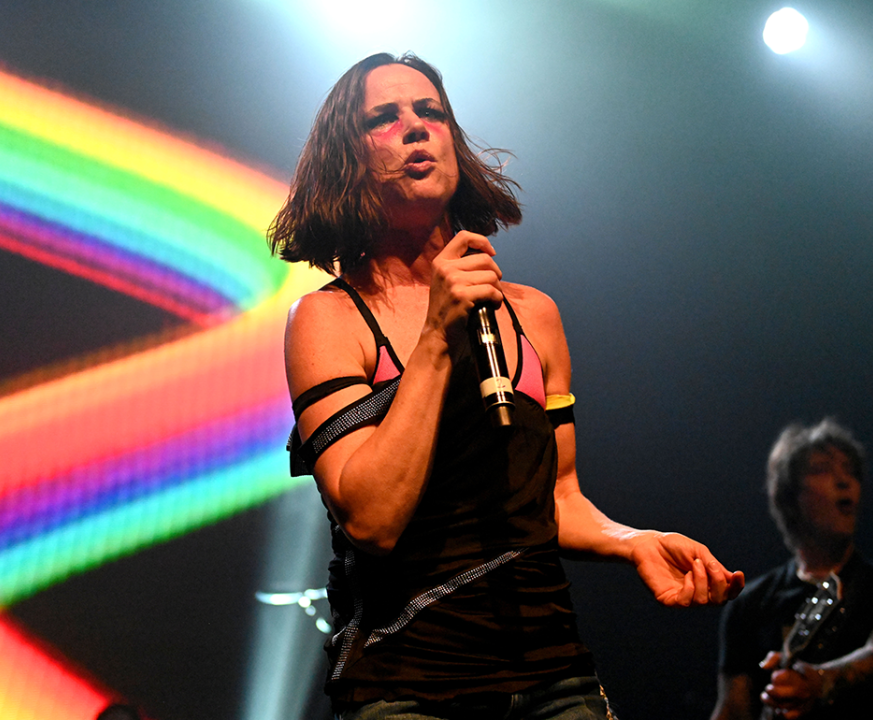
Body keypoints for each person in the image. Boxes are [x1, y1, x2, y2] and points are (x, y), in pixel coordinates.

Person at [269, 52, 744, 720]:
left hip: (552, 671)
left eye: (430, 112)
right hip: (406, 684)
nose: (416, 128)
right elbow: (371, 519)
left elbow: (558, 497)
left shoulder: (534, 316)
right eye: (386, 118)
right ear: (346, 158)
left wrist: (631, 540)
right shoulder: (329, 319)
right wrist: (437, 337)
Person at [711, 419, 873, 720]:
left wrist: (819, 682)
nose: (844, 480)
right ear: (790, 496)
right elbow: (732, 709)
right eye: (822, 469)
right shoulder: (750, 604)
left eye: (850, 471)